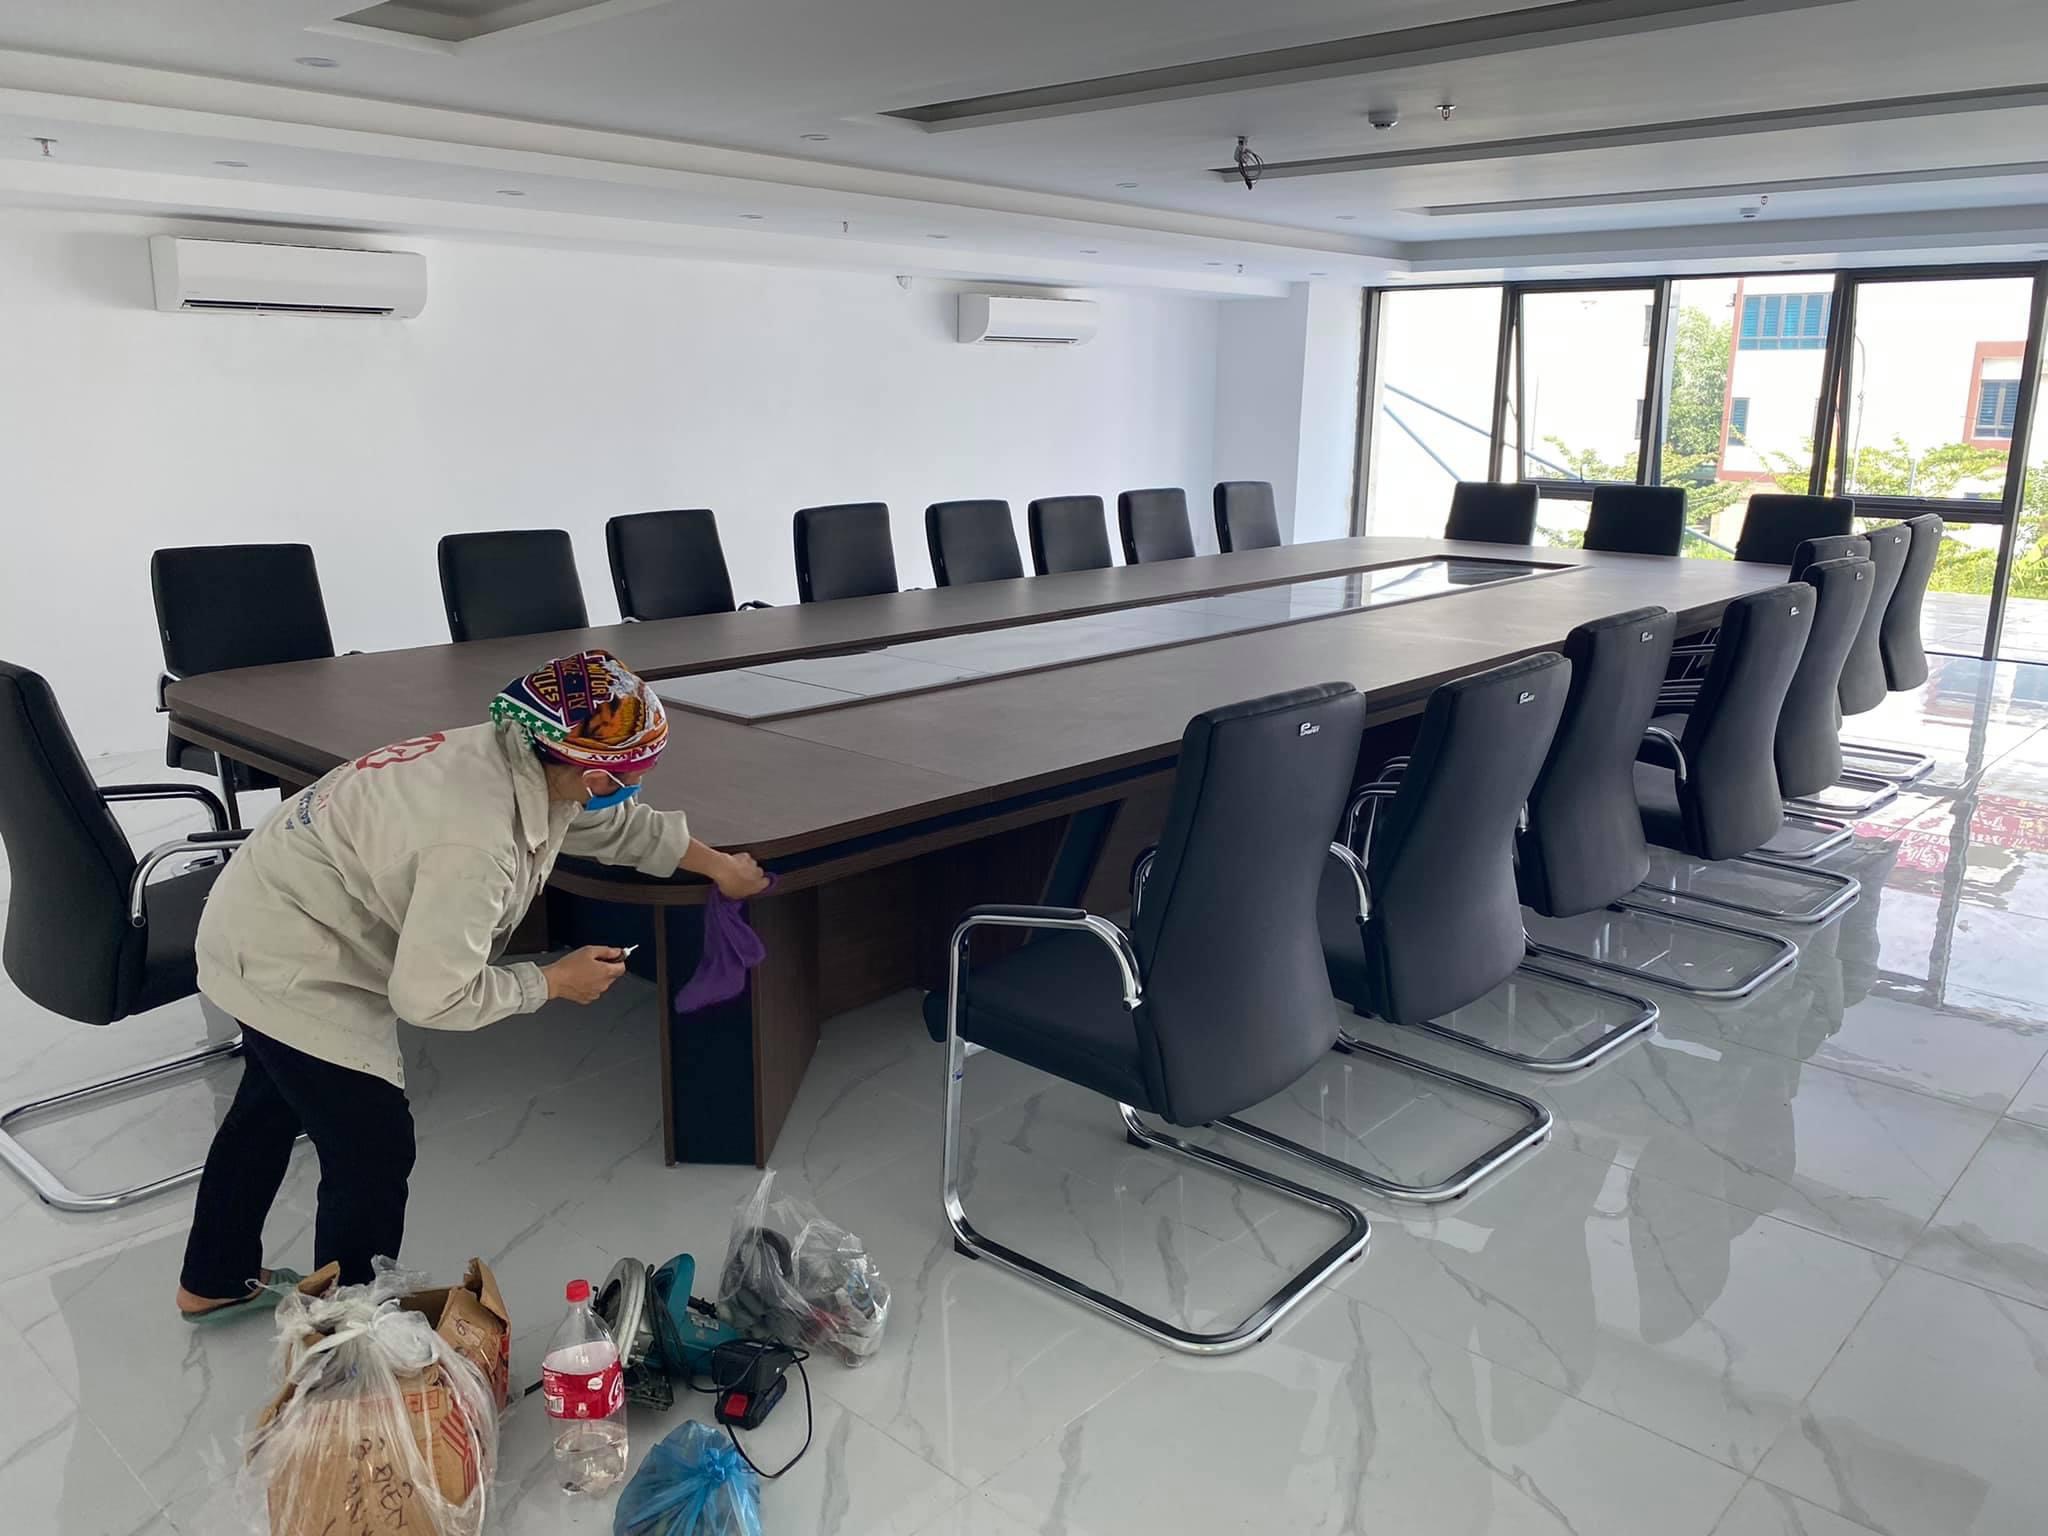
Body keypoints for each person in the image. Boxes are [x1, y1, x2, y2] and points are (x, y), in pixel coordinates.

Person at [174, 648, 767, 1320]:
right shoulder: (476, 840)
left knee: (272, 1102)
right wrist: (550, 982)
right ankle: (349, 1345)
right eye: (628, 776)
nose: (633, 787)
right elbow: (431, 996)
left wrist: (717, 866)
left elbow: (610, 823)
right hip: (289, 955)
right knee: (371, 1147)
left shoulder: (517, 752)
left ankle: (214, 1276)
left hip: (265, 908)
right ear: (589, 770)